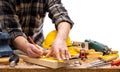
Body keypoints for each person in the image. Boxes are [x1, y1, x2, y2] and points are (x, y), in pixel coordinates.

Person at [0, 0, 74, 60]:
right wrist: (26, 47)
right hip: (11, 54)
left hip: (39, 49)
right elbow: (13, 32)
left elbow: (62, 17)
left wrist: (61, 39)